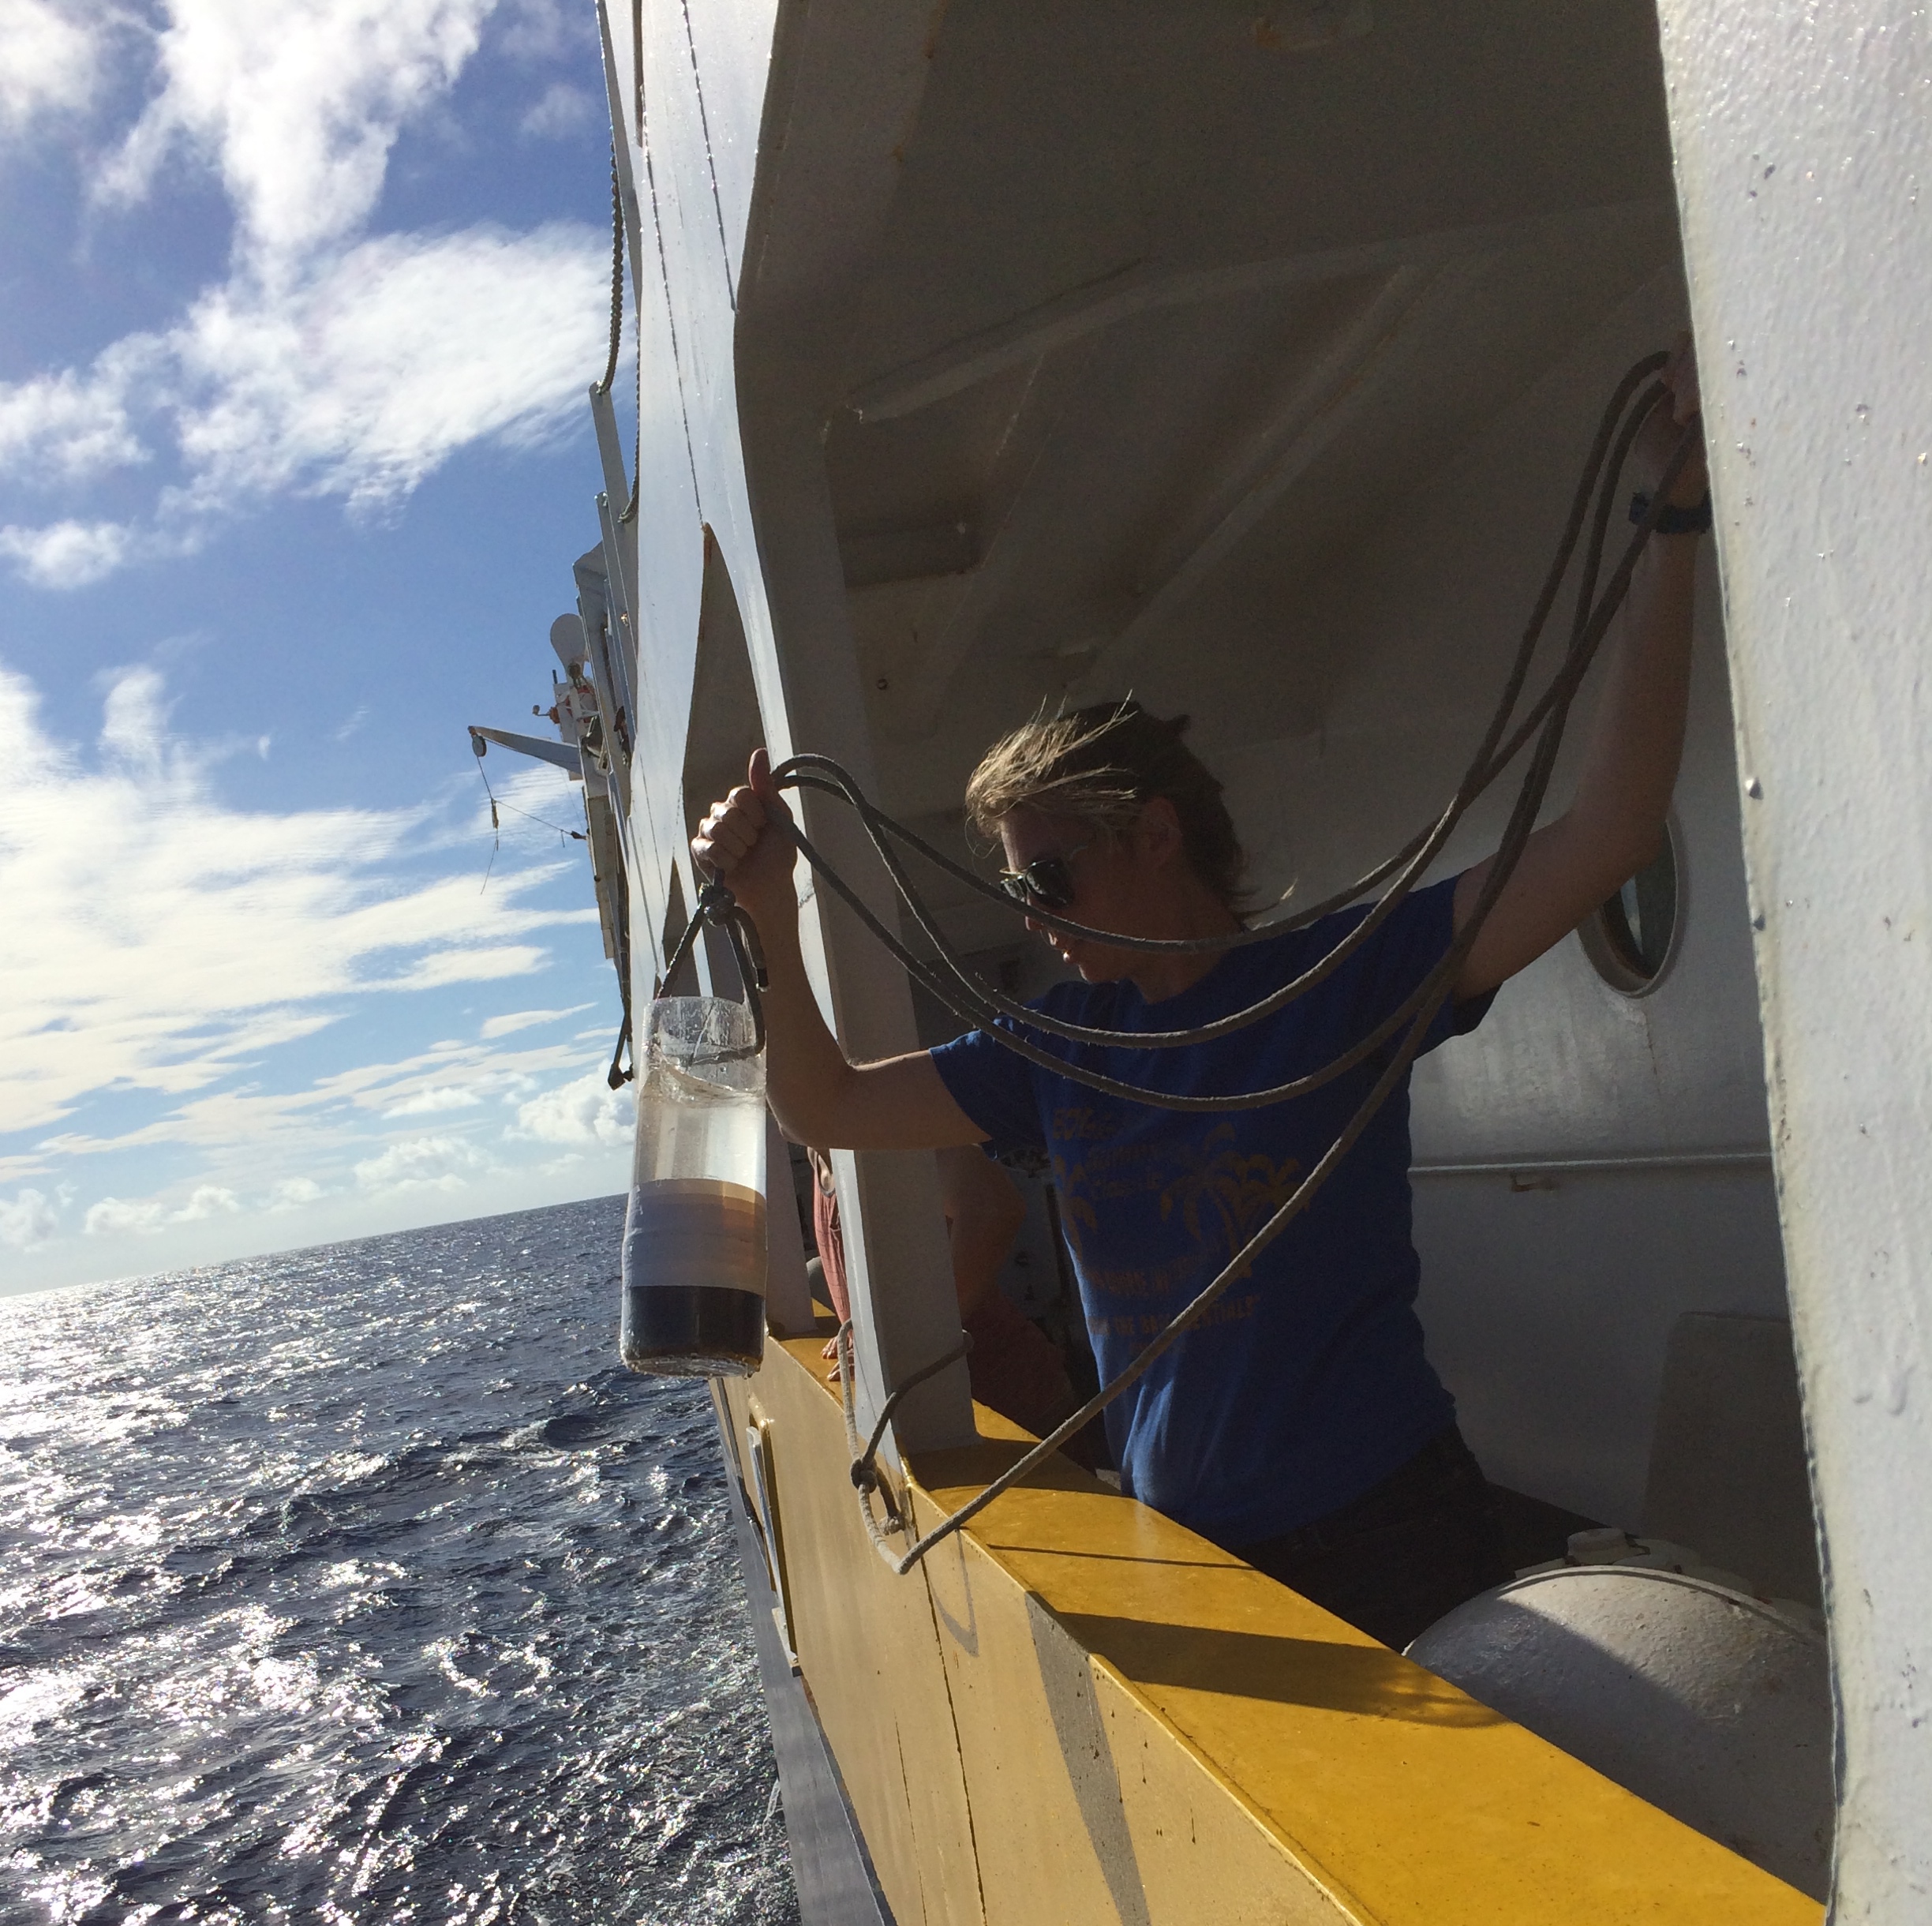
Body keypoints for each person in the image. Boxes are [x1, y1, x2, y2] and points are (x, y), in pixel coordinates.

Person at [694, 352, 1707, 1648]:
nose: (1028, 912)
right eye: (1015, 885)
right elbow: (822, 1098)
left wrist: (1664, 530)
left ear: (1154, 836)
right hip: (1187, 1546)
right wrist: (766, 904)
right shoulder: (1055, 1051)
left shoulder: (1333, 980)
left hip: (1389, 1528)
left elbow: (1609, 831)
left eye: (1047, 872)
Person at [805, 1140, 1084, 1444]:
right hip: (933, 1411)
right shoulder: (817, 1151)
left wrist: (909, 1347)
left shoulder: (888, 1131)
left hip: (1013, 1405)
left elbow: (995, 1209)